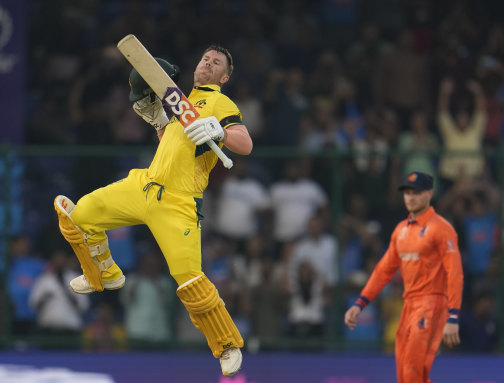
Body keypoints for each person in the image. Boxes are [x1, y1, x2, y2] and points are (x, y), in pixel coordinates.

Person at [54, 46, 252, 376]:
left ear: (224, 77)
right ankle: (103, 273)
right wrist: (159, 119)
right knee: (79, 215)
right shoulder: (181, 103)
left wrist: (221, 131)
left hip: (179, 202)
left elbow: (244, 142)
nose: (207, 63)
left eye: (216, 63)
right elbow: (170, 144)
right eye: (205, 58)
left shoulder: (221, 103)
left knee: (190, 281)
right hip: (145, 185)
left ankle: (227, 344)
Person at [344, 171, 464, 383]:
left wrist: (453, 316)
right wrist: (360, 303)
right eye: (407, 193)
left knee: (411, 370)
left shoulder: (441, 228)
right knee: (406, 375)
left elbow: (455, 272)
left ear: (430, 194)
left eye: (416, 193)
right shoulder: (400, 230)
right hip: (409, 305)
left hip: (431, 304)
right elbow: (384, 270)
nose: (410, 197)